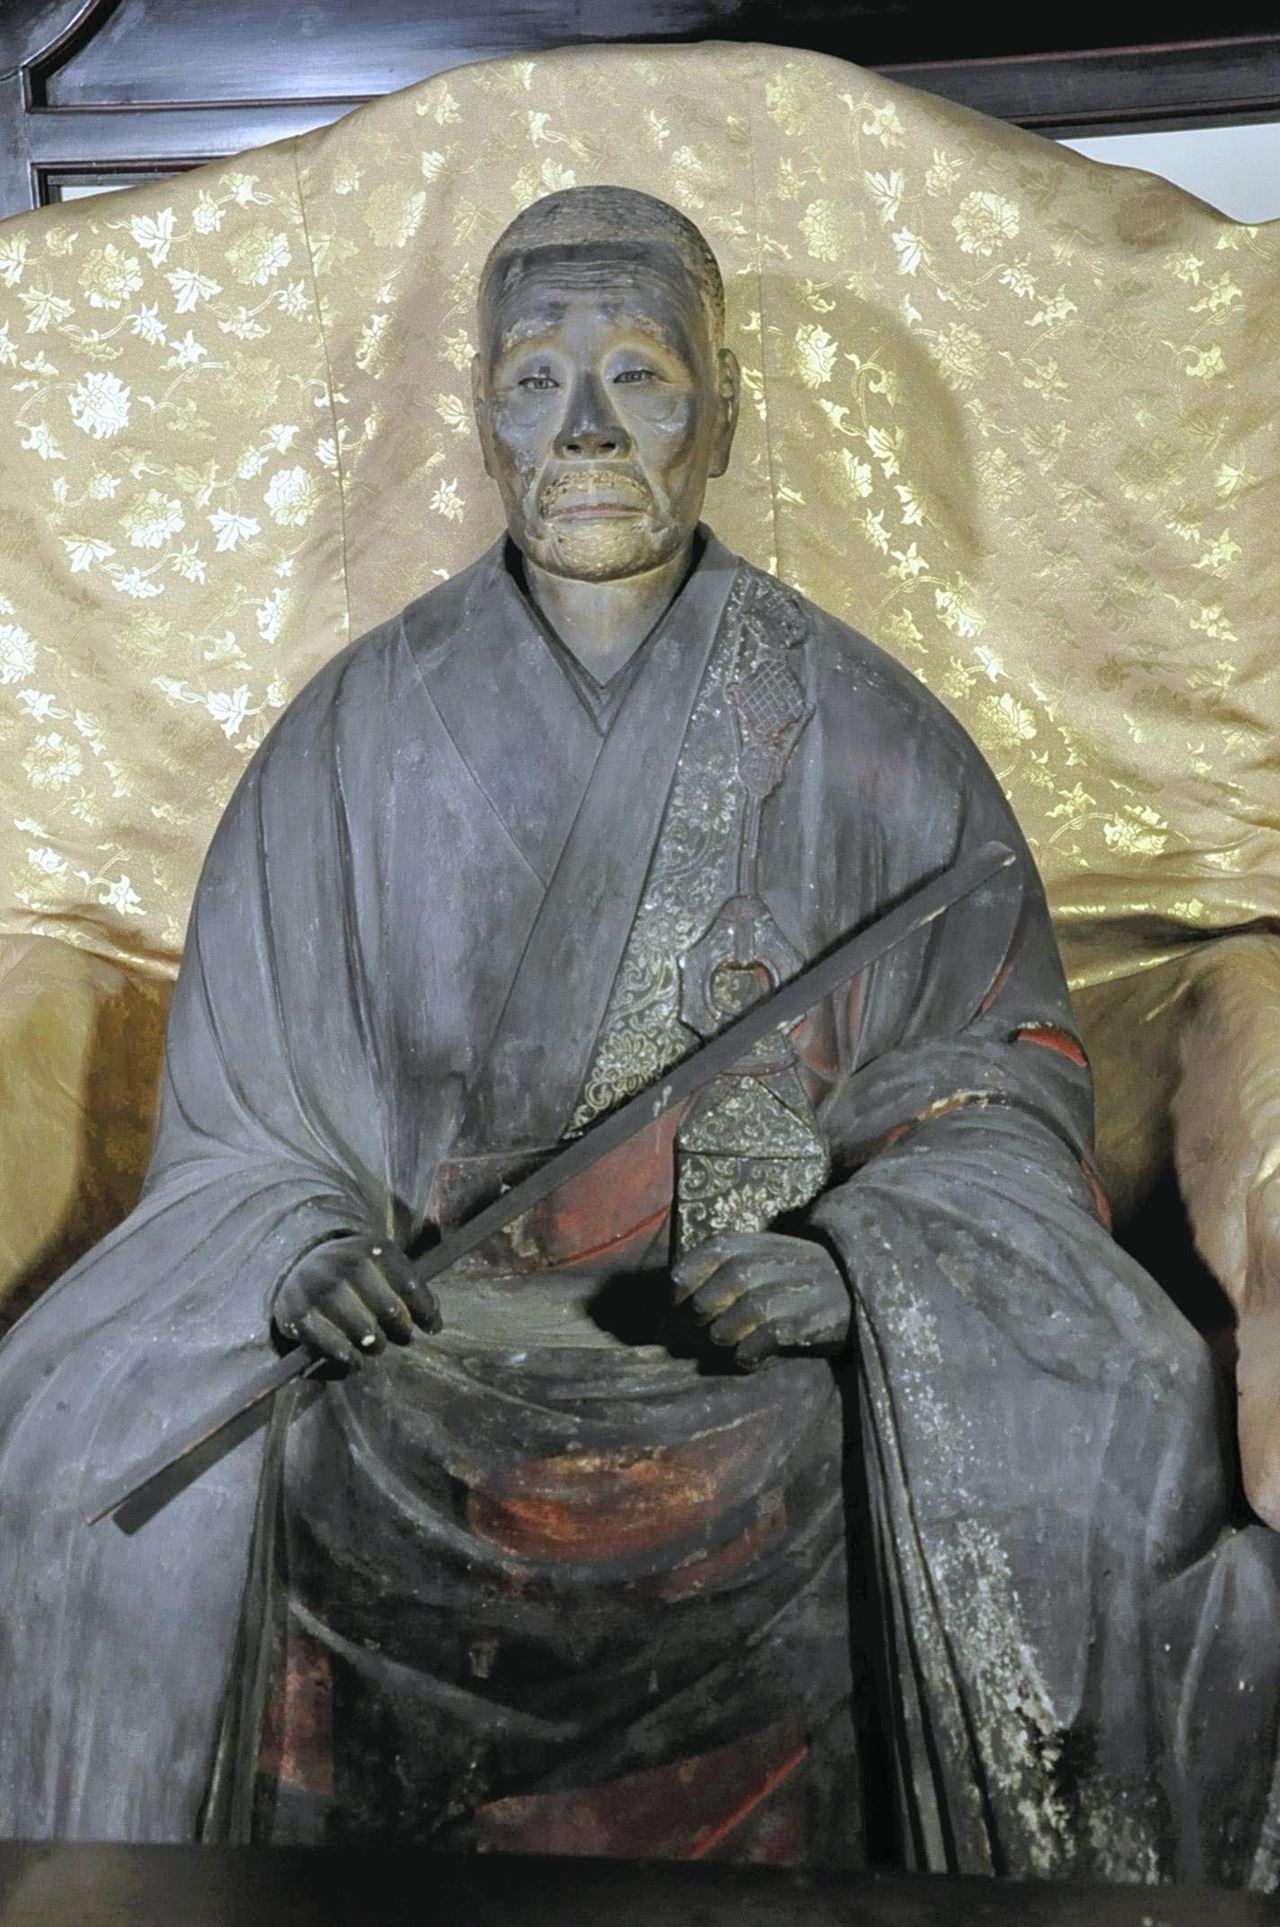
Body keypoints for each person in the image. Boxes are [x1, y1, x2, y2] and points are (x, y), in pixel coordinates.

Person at [1, 185, 1277, 1884]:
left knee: (1107, 1416)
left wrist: (866, 1265)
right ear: (478, 417)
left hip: (758, 1373)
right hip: (409, 1363)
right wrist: (302, 1245)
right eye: (535, 380)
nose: (586, 430)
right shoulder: (347, 745)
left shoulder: (877, 742)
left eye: (644, 379)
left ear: (725, 416)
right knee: (74, 1426)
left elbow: (992, 1080)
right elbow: (247, 1125)